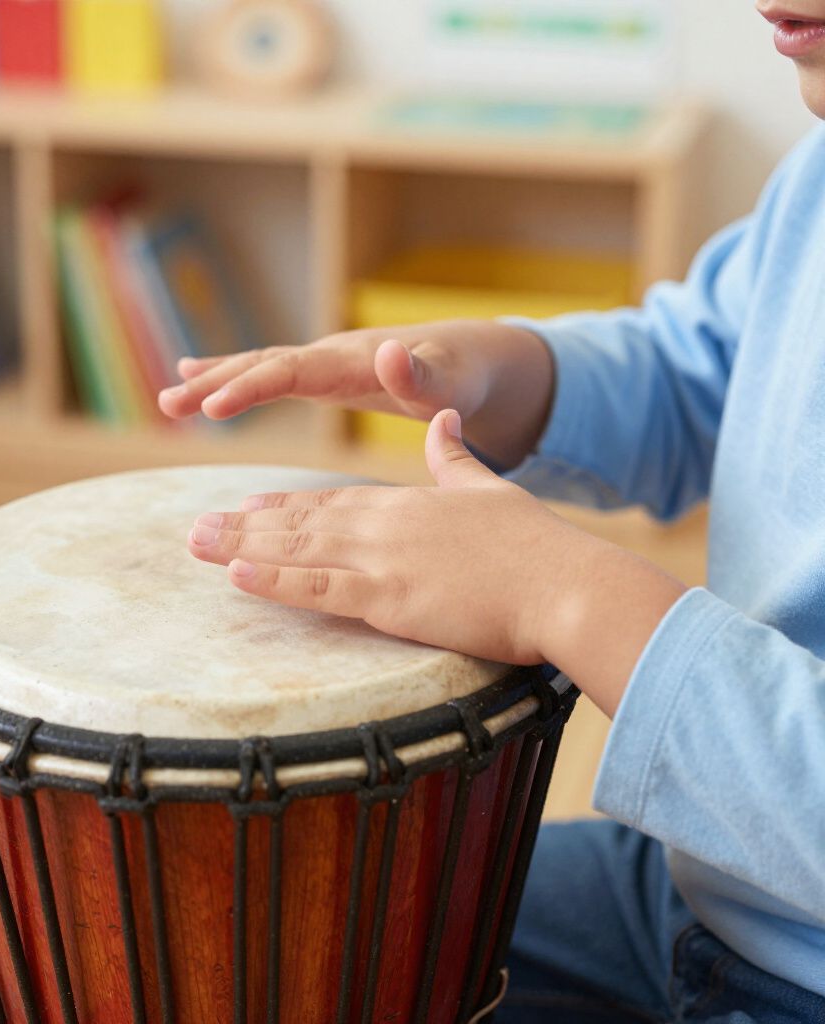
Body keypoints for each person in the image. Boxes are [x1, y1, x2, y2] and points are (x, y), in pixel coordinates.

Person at [158, 5, 825, 1020]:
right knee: (273, 941)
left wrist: (562, 593)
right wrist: (497, 372)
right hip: (705, 884)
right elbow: (695, 369)